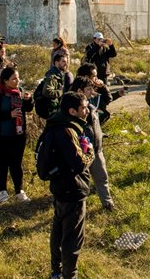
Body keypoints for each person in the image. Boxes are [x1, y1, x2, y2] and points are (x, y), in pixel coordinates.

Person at [46, 92, 95, 279]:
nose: (87, 110)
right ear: (72, 111)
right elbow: (79, 163)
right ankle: (69, 275)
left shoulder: (55, 124)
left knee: (58, 229)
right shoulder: (68, 131)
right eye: (83, 108)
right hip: (72, 189)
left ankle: (56, 271)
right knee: (72, 237)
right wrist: (89, 152)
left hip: (59, 187)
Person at [0, 66, 34, 203]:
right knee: (2, 164)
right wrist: (8, 115)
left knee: (16, 164)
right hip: (0, 136)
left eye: (18, 78)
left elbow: (28, 109)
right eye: (14, 79)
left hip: (18, 135)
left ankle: (19, 190)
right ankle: (2, 192)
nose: (17, 81)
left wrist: (29, 100)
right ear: (5, 81)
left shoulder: (19, 92)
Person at [70, 76, 115, 210]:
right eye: (89, 89)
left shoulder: (91, 105)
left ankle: (107, 203)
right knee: (79, 182)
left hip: (96, 149)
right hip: (80, 152)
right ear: (80, 91)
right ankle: (76, 206)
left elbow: (108, 98)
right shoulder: (71, 109)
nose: (92, 92)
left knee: (102, 176)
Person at [41, 52, 74, 118]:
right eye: (63, 61)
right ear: (56, 63)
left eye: (66, 62)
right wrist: (60, 92)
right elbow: (47, 91)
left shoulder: (60, 74)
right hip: (52, 110)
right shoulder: (52, 76)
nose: (66, 64)